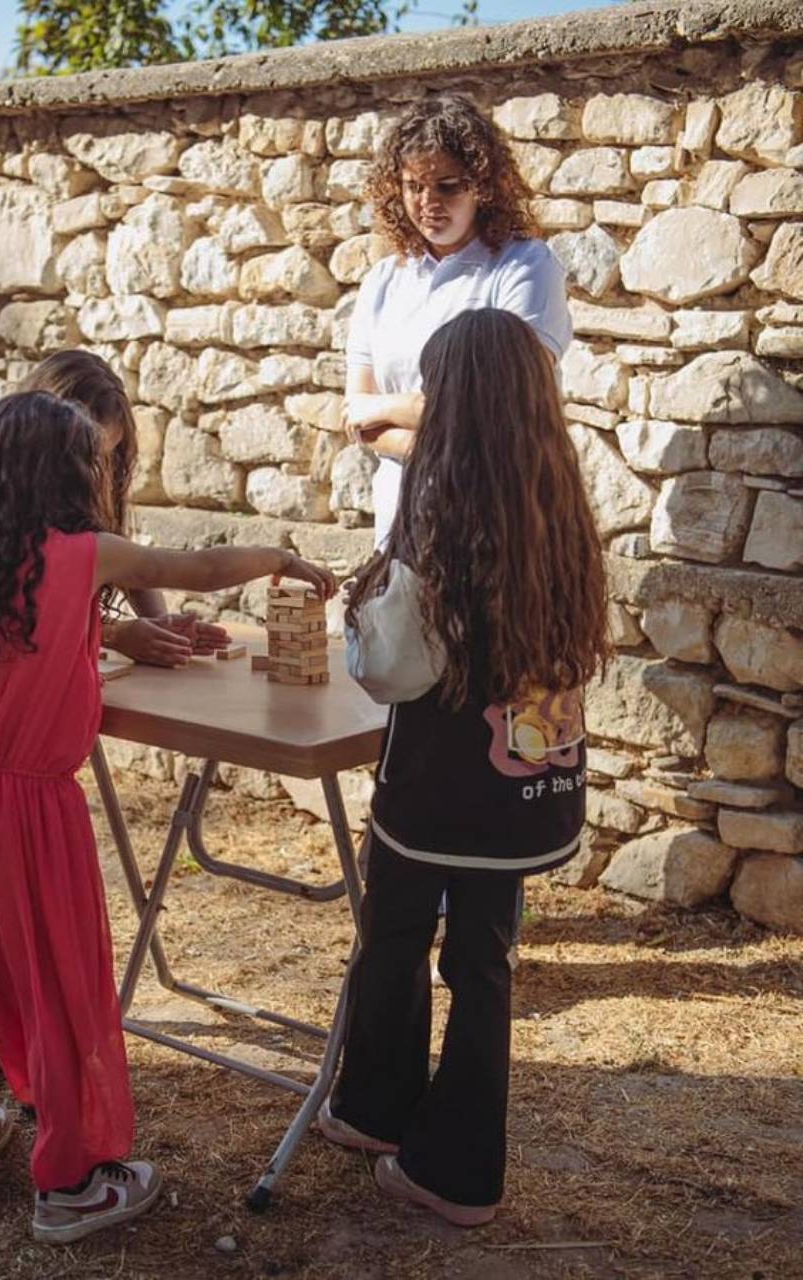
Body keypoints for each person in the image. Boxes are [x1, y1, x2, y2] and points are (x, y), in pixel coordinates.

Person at [0, 390, 333, 1243]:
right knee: (61, 984)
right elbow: (194, 569)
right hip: (30, 807)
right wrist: (278, 556)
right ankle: (68, 1184)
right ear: (67, 478)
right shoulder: (80, 554)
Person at [319, 310, 609, 1227]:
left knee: (396, 930)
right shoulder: (558, 498)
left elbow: (397, 664)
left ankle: (397, 1124)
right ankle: (445, 1148)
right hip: (525, 793)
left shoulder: (440, 503)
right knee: (483, 961)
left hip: (438, 786)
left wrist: (362, 607)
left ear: (459, 398)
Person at [0, 350, 229, 1072]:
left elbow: (126, 564)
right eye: (92, 457)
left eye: (110, 458)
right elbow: (14, 614)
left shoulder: (69, 492)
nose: (98, 473)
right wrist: (116, 634)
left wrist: (157, 627)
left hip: (23, 701)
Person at [343, 94, 573, 962]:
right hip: (405, 531)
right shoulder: (384, 280)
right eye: (411, 186)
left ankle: (482, 925)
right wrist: (441, 421)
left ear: (484, 183)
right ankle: (410, 900)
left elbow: (506, 407)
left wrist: (397, 424)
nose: (428, 202)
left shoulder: (525, 266)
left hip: (495, 538)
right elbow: (353, 411)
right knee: (414, 719)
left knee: (486, 728)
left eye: (447, 184)